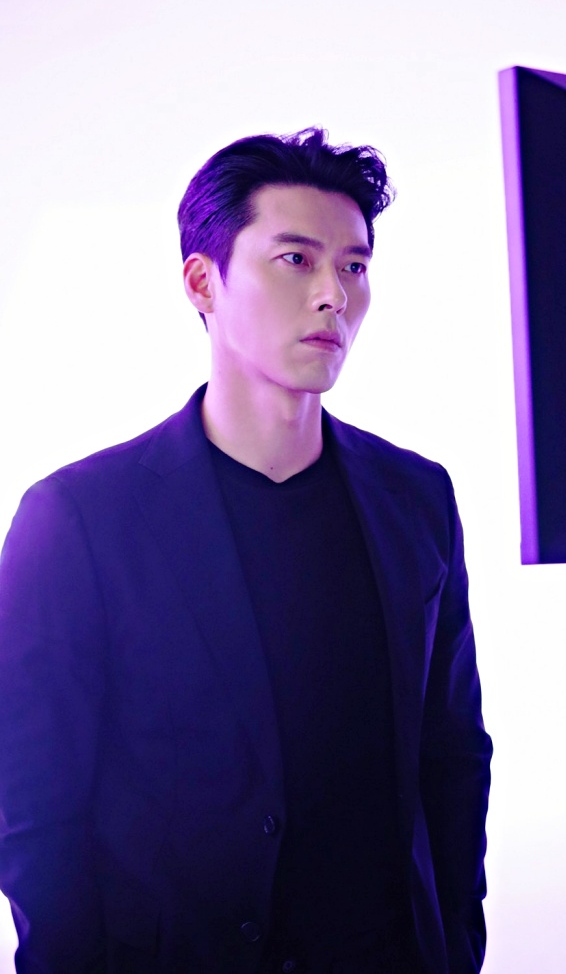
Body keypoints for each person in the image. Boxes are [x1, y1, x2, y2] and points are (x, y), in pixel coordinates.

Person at [0, 127, 492, 974]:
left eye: (355, 266)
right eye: (296, 259)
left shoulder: (417, 497)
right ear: (203, 281)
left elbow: (452, 754)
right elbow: (33, 805)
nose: (334, 294)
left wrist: (457, 944)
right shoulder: (76, 518)